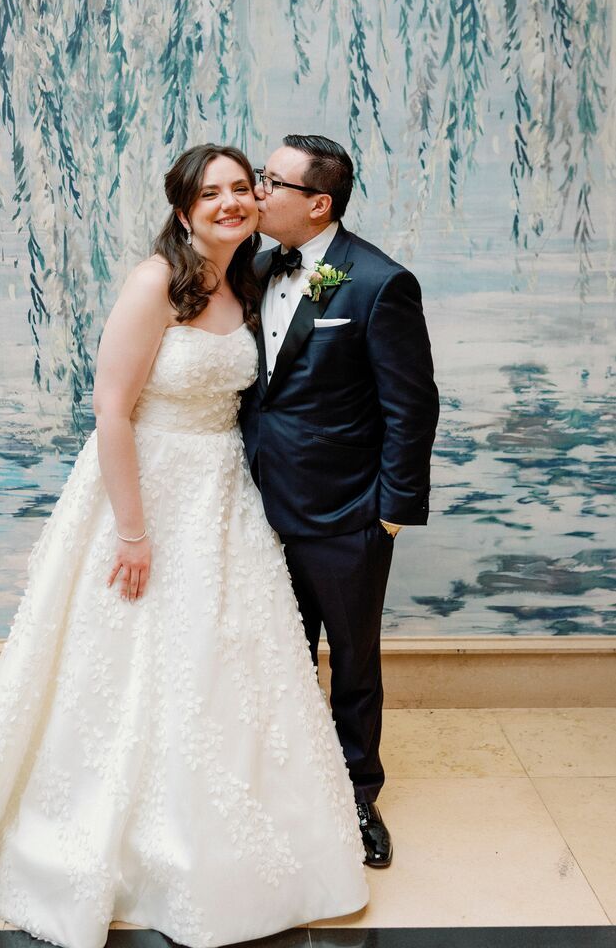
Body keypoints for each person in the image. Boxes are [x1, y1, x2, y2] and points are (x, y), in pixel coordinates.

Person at [0, 144, 368, 948]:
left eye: (240, 190)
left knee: (222, 662)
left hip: (222, 496)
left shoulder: (249, 280)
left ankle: (219, 838)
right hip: (141, 489)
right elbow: (112, 411)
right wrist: (133, 532)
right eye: (208, 193)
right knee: (123, 663)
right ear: (183, 211)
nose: (229, 203)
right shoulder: (155, 283)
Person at [240, 134, 439, 868]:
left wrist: (390, 511)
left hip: (346, 512)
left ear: (316, 202)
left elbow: (411, 406)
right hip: (254, 507)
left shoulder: (378, 283)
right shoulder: (256, 270)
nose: (256, 193)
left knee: (352, 660)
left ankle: (356, 791)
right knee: (275, 652)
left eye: (269, 182)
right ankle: (283, 781)